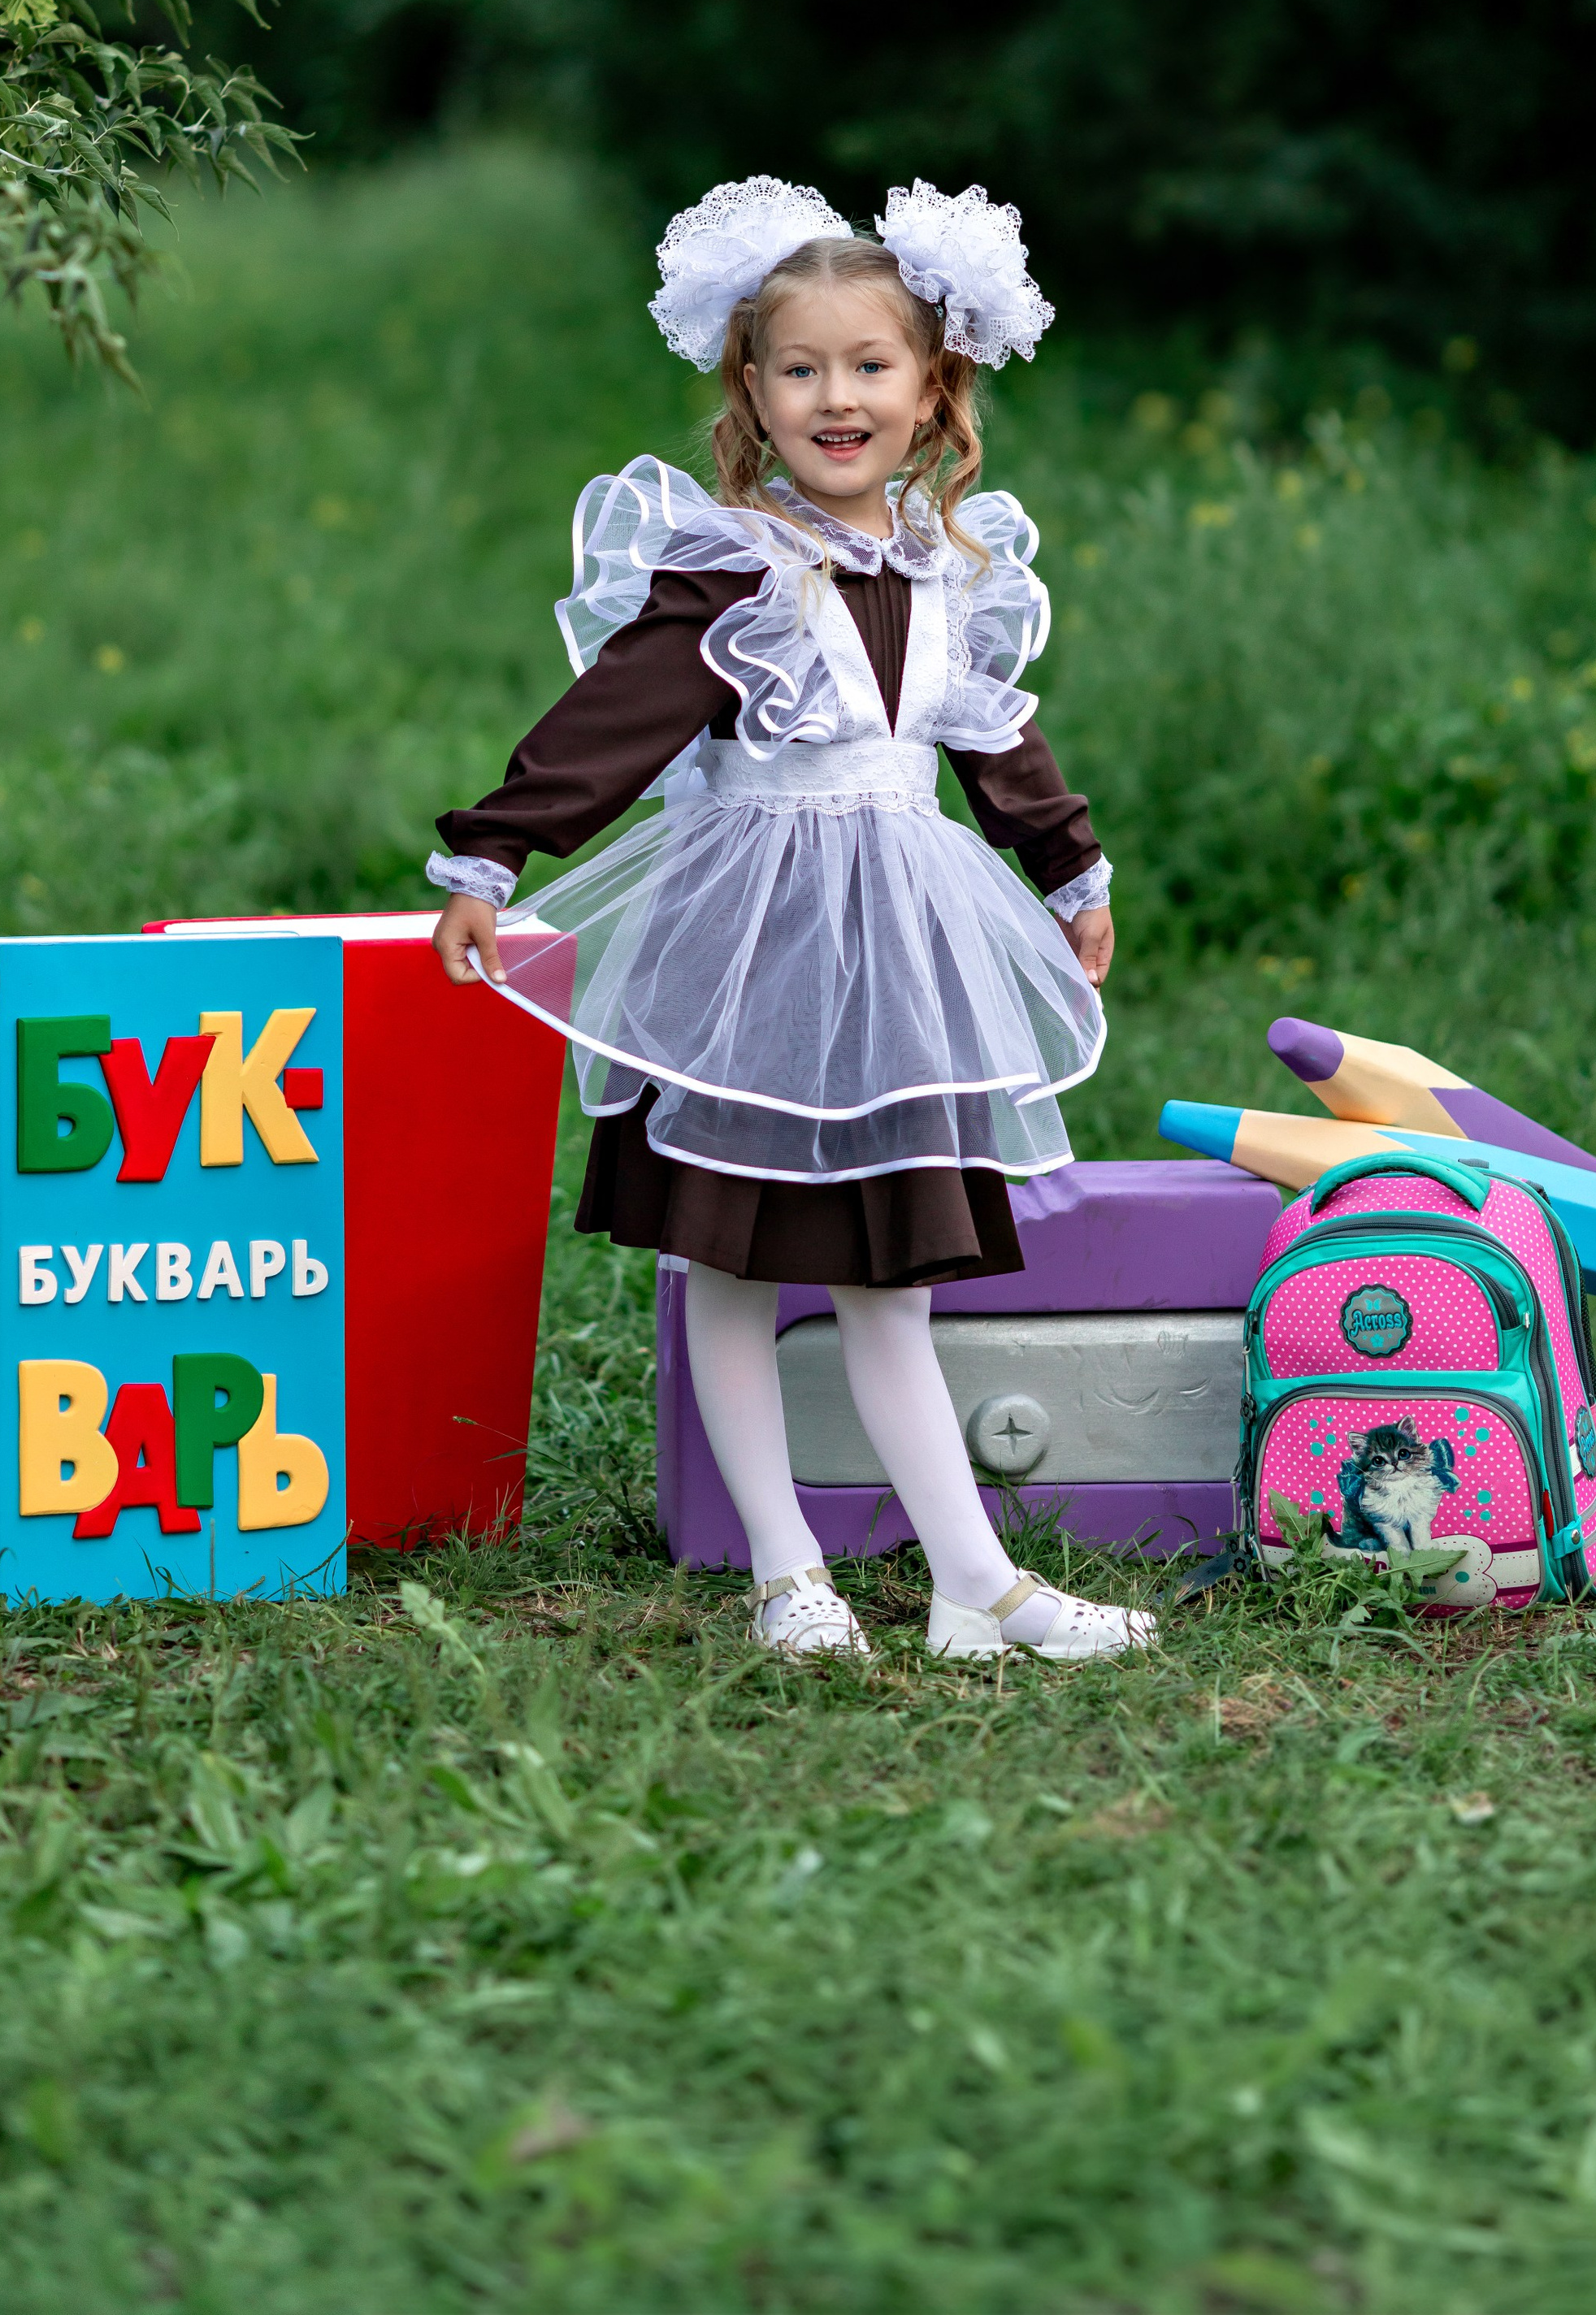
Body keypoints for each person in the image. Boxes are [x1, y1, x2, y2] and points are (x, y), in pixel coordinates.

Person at [428, 175, 1156, 1667]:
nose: (839, 397)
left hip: (896, 954)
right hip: (749, 946)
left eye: (870, 366)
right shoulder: (733, 565)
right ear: (750, 393)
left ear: (932, 386)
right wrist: (494, 855)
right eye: (802, 368)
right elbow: (610, 726)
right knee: (737, 1260)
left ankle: (977, 1585)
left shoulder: (949, 567)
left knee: (890, 1273)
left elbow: (995, 744)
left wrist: (1067, 870)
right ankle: (784, 1567)